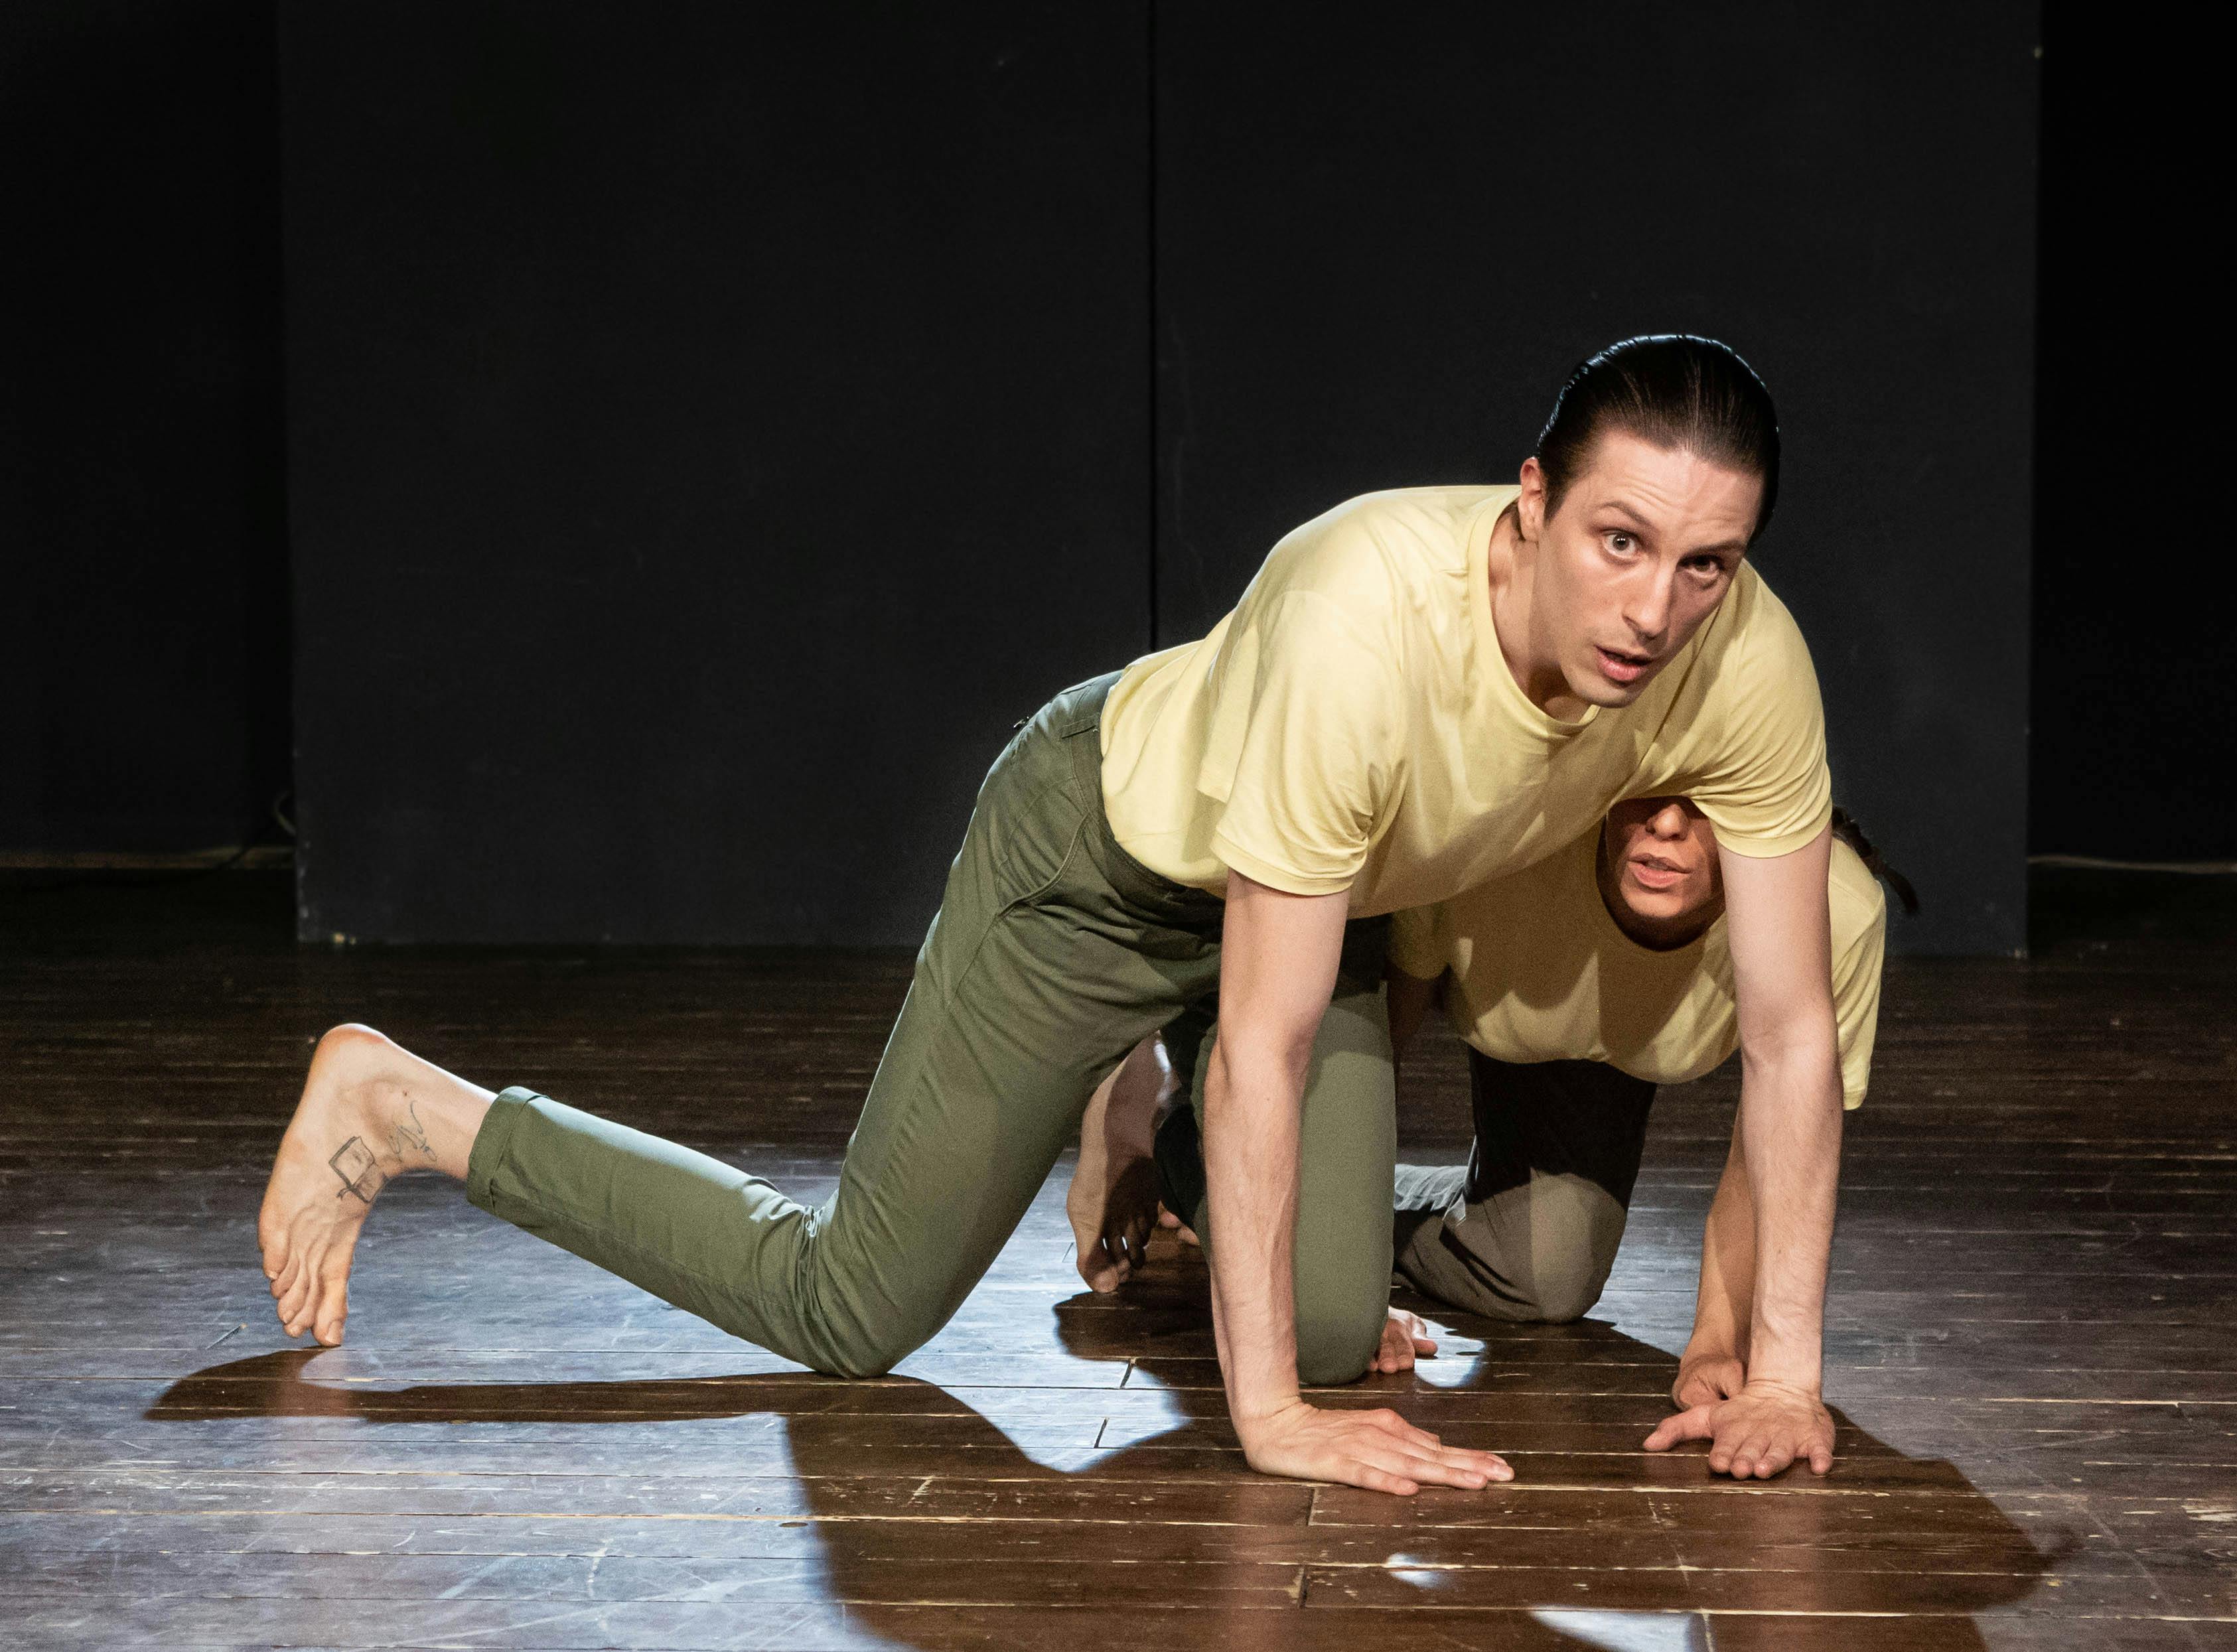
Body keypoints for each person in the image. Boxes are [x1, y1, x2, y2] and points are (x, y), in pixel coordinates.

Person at [257, 334, 1843, 1495]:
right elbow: (1268, 1047)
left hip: (1326, 897)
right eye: (1618, 541)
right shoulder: (1361, 612)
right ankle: (412, 1102)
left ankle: (1143, 1125)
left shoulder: (1740, 657)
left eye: (1704, 563)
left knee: (1332, 1311)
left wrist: (1783, 1374)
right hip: (1101, 863)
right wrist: (1272, 1418)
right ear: (1528, 504)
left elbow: (1782, 1030)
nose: (1654, 608)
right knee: (849, 1310)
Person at [1087, 797, 1899, 1481]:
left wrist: (1716, 1344)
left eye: (1703, 804)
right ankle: (1166, 1118)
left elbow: (1774, 1153)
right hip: (1470, 976)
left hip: (1604, 1042)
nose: (1665, 828)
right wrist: (1343, 1260)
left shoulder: (1830, 904)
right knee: (1330, 1320)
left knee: (1547, 1276)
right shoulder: (1506, 847)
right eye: (1647, 798)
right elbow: (1381, 1053)